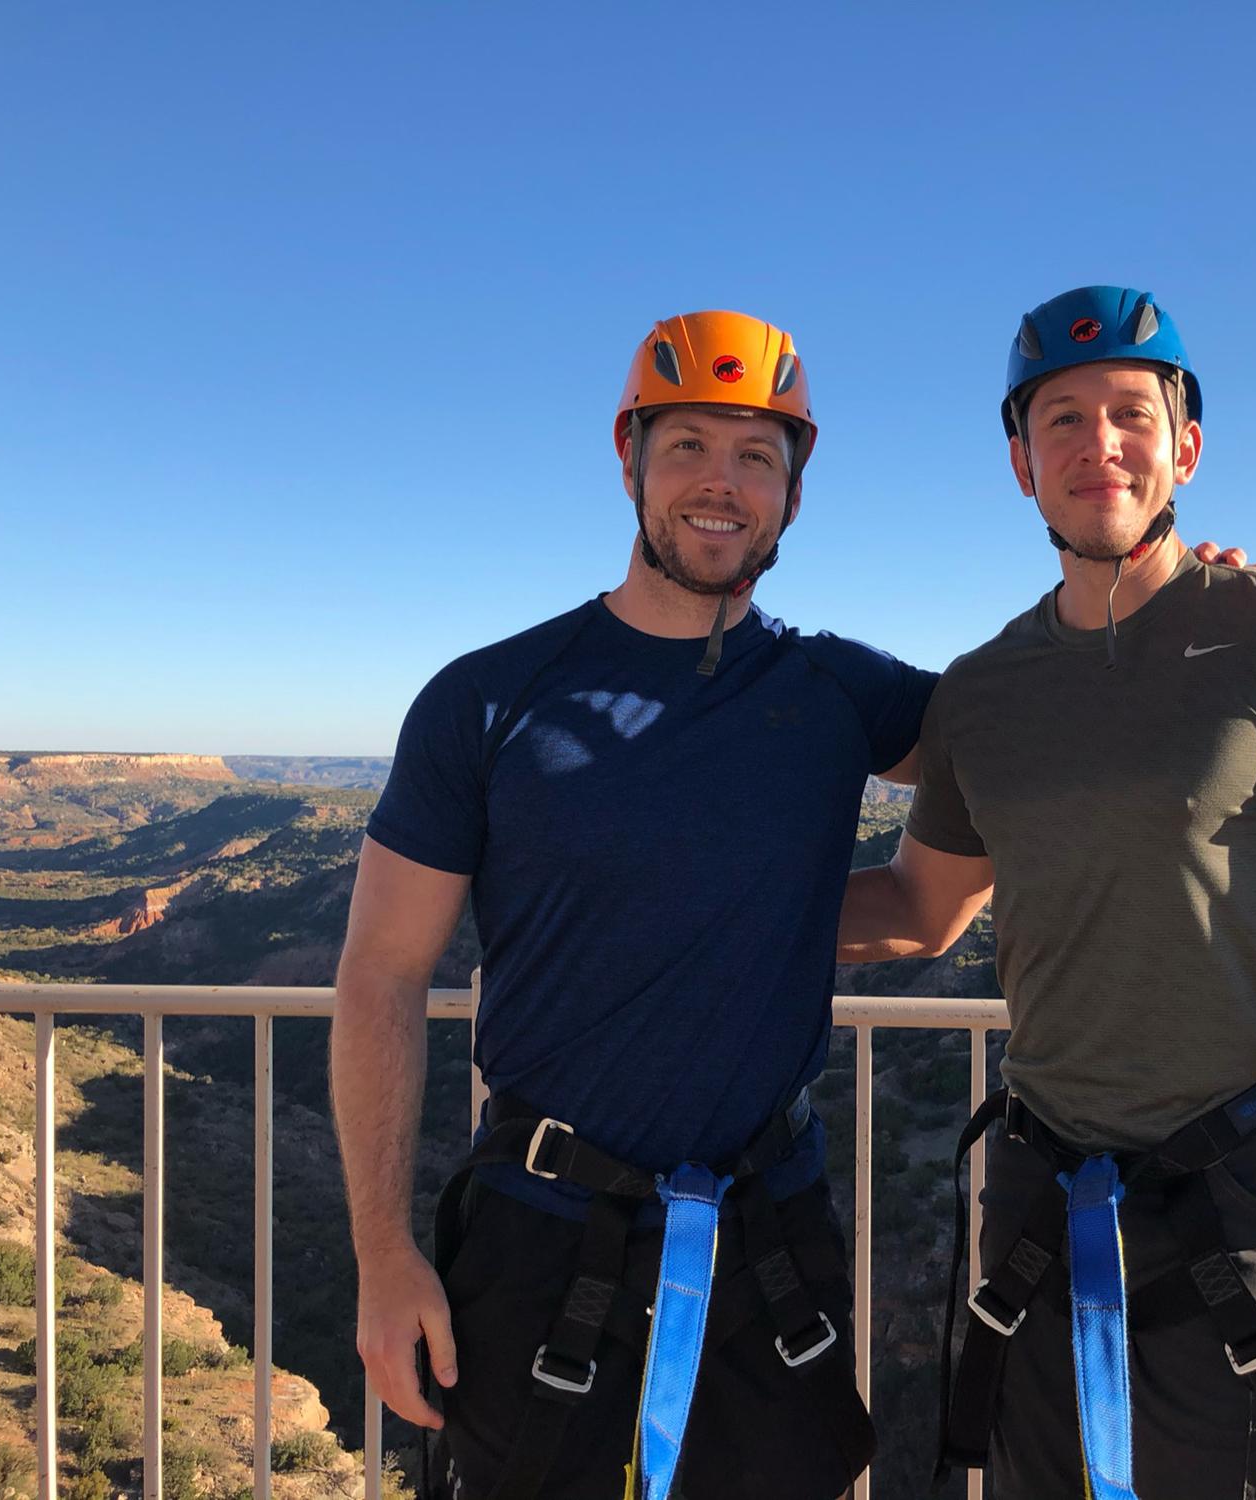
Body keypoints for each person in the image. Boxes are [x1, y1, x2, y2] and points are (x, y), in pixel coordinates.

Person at [838, 285, 1256, 1500]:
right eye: (1059, 419)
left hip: (1235, 1191)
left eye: (1130, 411)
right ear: (1019, 464)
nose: (1097, 443)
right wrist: (698, 918)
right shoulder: (981, 692)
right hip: (1036, 1186)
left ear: (1184, 445)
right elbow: (918, 910)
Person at [330, 310, 925, 1500]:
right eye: (689, 445)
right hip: (538, 1232)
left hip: (769, 1237)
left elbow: (1045, 734)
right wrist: (384, 1257)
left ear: (794, 493)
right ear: (629, 460)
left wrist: (1182, 604)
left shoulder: (836, 691)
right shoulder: (487, 699)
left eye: (758, 455)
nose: (722, 483)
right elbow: (383, 975)